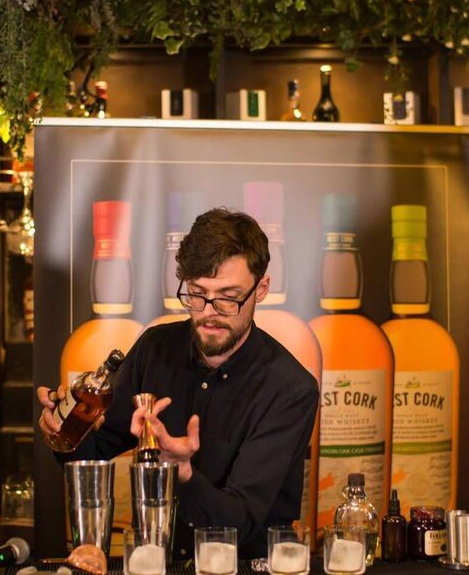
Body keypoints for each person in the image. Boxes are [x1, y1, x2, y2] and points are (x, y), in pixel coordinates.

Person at [38, 208, 320, 559]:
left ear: (261, 289)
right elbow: (96, 451)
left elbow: (241, 522)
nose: (209, 312)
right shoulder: (155, 348)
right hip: (157, 562)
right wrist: (65, 432)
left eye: (228, 297)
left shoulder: (291, 390)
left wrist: (182, 472)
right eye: (197, 294)